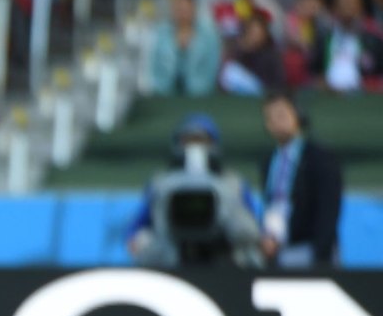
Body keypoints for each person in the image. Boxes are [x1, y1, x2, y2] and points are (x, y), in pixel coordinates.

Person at [126, 113, 263, 268]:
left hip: (223, 258)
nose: (195, 146)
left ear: (213, 143)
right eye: (189, 140)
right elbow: (137, 227)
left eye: (201, 140)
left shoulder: (234, 183)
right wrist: (138, 240)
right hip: (171, 258)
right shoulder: (160, 183)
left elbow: (251, 231)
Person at [259, 93, 343, 268]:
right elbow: (272, 203)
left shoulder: (319, 158)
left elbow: (328, 209)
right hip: (278, 248)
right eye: (270, 118)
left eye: (281, 114)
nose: (276, 121)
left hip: (308, 248)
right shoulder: (269, 161)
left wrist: (321, 252)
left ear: (297, 115)